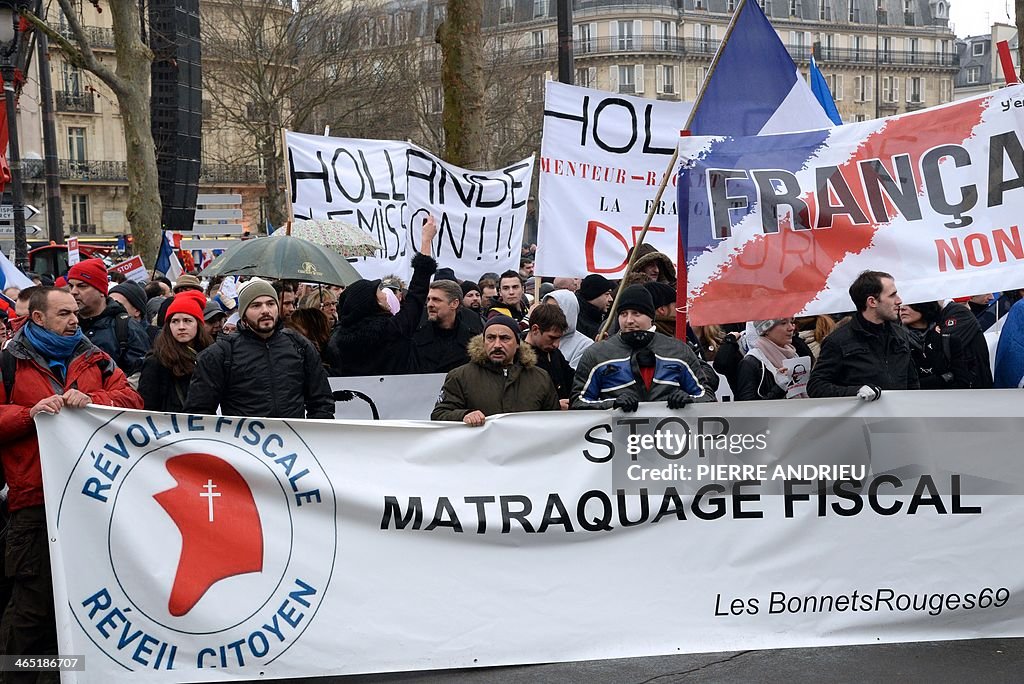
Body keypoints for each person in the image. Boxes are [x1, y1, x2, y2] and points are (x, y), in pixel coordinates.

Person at [0, 287, 142, 669]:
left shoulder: (95, 358)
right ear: (38, 318)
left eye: (75, 313)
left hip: (91, 502)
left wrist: (95, 401)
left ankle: (65, 677)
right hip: (35, 503)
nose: (74, 320)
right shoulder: (8, 364)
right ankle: (19, 677)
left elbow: (133, 400)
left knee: (83, 601)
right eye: (63, 314)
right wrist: (30, 414)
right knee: (33, 607)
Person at [185, 278, 335, 418]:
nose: (265, 310)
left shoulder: (300, 345)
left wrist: (311, 438)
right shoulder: (221, 353)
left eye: (270, 304)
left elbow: (321, 402)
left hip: (293, 442)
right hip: (243, 444)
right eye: (256, 305)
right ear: (243, 315)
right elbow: (200, 412)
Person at [571, 285, 714, 411]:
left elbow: (706, 396)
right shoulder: (597, 353)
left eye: (636, 313)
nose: (629, 320)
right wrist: (613, 404)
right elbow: (578, 402)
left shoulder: (678, 350)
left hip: (670, 437)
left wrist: (688, 399)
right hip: (617, 438)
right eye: (623, 314)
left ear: (651, 316)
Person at [808, 271, 919, 400]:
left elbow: (912, 381)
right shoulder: (838, 340)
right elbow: (816, 386)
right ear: (872, 302)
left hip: (899, 414)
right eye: (892, 295)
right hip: (862, 418)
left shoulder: (900, 334)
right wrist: (856, 391)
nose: (899, 301)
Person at [431, 315, 559, 424]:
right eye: (491, 338)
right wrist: (464, 415)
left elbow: (555, 422)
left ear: (518, 343)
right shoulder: (460, 376)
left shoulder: (540, 378)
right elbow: (439, 415)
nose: (497, 345)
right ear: (483, 341)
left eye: (505, 338)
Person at [68, 258, 151, 377]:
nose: (73, 292)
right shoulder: (64, 324)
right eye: (71, 286)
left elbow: (140, 376)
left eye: (82, 286)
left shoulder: (127, 327)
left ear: (101, 291)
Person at [138, 291, 213, 411]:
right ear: (168, 326)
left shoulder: (212, 355)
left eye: (188, 320)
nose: (181, 326)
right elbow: (147, 407)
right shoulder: (156, 362)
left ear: (198, 324)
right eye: (175, 321)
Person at [901, 300, 992, 390]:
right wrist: (944, 378)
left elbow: (962, 381)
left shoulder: (947, 340)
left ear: (925, 305)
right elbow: (902, 384)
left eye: (909, 303)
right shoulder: (897, 342)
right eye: (900, 304)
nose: (902, 308)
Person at [406, 279, 483, 374]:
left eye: (436, 300)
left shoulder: (472, 342)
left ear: (454, 303)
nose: (430, 304)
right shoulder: (415, 337)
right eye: (429, 299)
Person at [736, 319, 801, 401]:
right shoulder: (751, 362)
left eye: (791, 322)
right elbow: (749, 407)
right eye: (783, 323)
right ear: (766, 330)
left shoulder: (794, 355)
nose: (791, 328)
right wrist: (779, 388)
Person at [521, 303, 572, 409]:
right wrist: (555, 406)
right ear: (535, 330)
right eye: (552, 338)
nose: (556, 344)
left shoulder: (554, 353)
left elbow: (572, 379)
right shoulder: (518, 358)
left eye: (559, 338)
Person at [541, 289, 593, 369]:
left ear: (569, 310)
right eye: (547, 308)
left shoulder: (585, 345)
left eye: (555, 309)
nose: (550, 314)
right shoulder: (538, 337)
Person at [576, 274, 614, 340]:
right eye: (607, 294)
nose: (611, 299)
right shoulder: (578, 323)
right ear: (593, 295)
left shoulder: (598, 316)